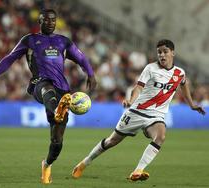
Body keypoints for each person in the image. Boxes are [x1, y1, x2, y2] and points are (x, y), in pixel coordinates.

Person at [0, 9, 96, 184]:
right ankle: (58, 108)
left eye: (53, 20)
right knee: (46, 90)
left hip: (63, 90)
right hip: (39, 83)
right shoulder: (30, 40)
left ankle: (47, 164)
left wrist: (91, 74)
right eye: (46, 20)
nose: (50, 23)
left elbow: (81, 58)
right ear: (39, 22)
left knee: (57, 142)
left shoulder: (63, 42)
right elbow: (8, 59)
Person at [72, 39, 206, 181]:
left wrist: (192, 104)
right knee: (112, 141)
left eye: (165, 52)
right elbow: (139, 87)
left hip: (156, 115)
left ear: (173, 53)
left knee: (160, 136)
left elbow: (184, 85)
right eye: (159, 52)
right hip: (137, 112)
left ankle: (138, 171)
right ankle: (84, 162)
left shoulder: (180, 73)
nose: (162, 55)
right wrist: (131, 100)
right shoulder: (150, 68)